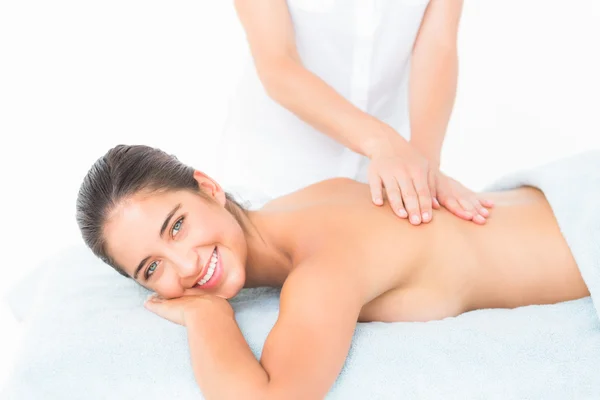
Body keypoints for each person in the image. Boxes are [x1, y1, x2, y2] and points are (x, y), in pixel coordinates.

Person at [77, 144, 589, 399]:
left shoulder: (322, 270)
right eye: (152, 268)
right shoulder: (298, 204)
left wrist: (207, 318)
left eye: (177, 226)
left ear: (209, 186)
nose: (185, 265)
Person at [218, 0, 494, 226]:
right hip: (269, 182)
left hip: (377, 187)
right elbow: (278, 64)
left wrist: (424, 168)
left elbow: (437, 46)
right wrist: (382, 143)